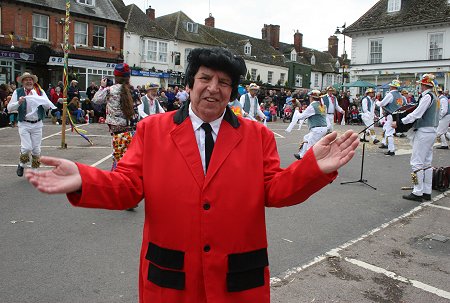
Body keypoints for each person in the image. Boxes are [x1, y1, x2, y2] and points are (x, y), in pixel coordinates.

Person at [25, 47, 359, 303]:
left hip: (238, 278)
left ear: (233, 91)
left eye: (224, 82)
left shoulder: (258, 136)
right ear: (190, 84)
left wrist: (313, 168)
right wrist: (86, 178)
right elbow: (127, 186)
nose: (214, 88)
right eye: (205, 78)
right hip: (171, 277)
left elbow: (274, 190)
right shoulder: (153, 130)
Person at [395, 74, 439, 202]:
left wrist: (400, 122)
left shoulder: (427, 97)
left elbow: (417, 114)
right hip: (431, 131)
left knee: (416, 162)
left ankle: (417, 191)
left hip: (424, 132)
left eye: (420, 84)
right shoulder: (435, 97)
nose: (419, 86)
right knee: (426, 163)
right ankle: (426, 191)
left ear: (424, 85)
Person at [7, 71, 54, 176]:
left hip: (37, 123)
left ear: (33, 82)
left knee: (36, 149)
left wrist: (43, 101)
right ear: (22, 82)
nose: (29, 81)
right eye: (26, 80)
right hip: (24, 123)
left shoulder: (40, 92)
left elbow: (47, 107)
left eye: (30, 80)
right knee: (26, 147)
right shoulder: (18, 92)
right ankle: (21, 164)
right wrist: (18, 102)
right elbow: (9, 108)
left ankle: (35, 170)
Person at [92, 63, 137, 171]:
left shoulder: (110, 90)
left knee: (119, 163)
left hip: (118, 133)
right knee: (130, 162)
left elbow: (96, 100)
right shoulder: (134, 91)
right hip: (132, 132)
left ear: (116, 77)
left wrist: (102, 86)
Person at [293, 90, 328, 160]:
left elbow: (301, 117)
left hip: (317, 129)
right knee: (306, 138)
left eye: (309, 97)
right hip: (322, 128)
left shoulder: (312, 106)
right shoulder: (322, 105)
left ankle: (308, 162)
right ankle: (301, 155)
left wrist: (297, 110)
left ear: (311, 97)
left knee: (310, 147)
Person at [376, 79, 403, 156]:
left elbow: (382, 103)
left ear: (392, 86)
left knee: (389, 132)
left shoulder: (390, 94)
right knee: (390, 131)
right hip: (397, 115)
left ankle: (391, 149)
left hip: (391, 115)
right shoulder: (400, 95)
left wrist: (377, 102)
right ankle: (388, 146)